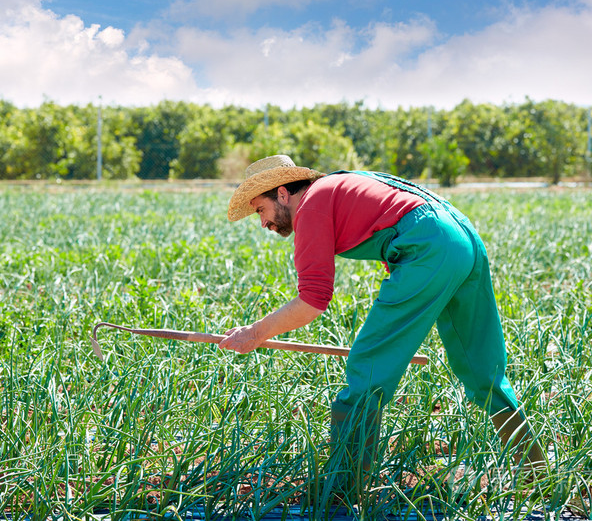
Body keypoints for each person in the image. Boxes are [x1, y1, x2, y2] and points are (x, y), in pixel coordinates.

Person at [220, 154, 545, 496]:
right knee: (482, 371)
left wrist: (254, 333)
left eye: (260, 210)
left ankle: (343, 490)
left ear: (283, 194)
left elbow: (313, 299)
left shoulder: (312, 205)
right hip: (461, 238)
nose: (263, 223)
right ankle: (539, 477)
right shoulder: (337, 184)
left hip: (428, 247)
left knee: (366, 368)